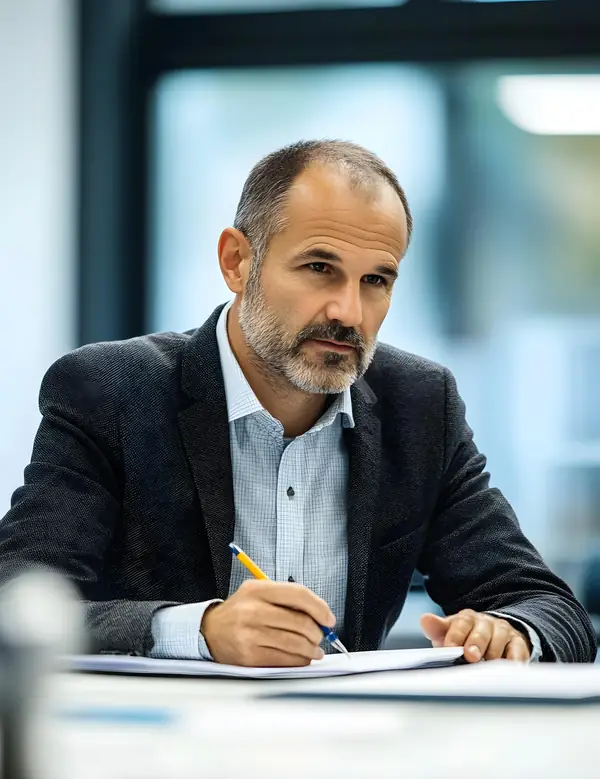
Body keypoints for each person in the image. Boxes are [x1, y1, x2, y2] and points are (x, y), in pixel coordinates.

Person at [0, 140, 595, 666]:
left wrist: (509, 631)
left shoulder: (419, 404)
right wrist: (200, 629)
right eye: (319, 268)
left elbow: (549, 608)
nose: (348, 313)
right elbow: (18, 600)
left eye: (376, 281)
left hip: (352, 761)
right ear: (237, 261)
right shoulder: (112, 390)